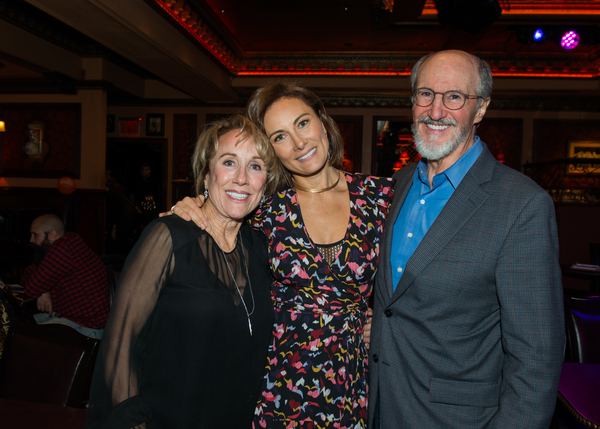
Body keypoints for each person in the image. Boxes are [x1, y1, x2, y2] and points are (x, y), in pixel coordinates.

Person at [170, 82, 394, 428]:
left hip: (352, 380)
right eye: (280, 136)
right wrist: (192, 206)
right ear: (270, 150)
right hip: (276, 382)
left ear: (322, 121)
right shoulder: (263, 210)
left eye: (303, 123)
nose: (299, 142)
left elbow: (421, 274)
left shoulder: (381, 197)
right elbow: (217, 227)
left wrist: (386, 322)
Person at [368, 50, 564, 429]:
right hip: (377, 405)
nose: (436, 111)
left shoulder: (522, 205)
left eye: (454, 97)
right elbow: (394, 303)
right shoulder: (394, 186)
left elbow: (536, 359)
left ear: (481, 109)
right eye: (425, 94)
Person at [85, 115, 278, 429]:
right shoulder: (168, 237)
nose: (242, 178)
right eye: (229, 162)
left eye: (255, 166)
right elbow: (120, 347)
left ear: (265, 182)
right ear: (205, 174)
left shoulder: (261, 249)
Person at [21, 214, 109, 339]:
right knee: (20, 322)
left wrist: (40, 289)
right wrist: (44, 291)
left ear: (51, 235)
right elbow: (29, 272)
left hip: (87, 326)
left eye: (35, 235)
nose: (31, 240)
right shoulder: (67, 243)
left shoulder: (62, 249)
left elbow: (31, 289)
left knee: (24, 336)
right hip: (70, 315)